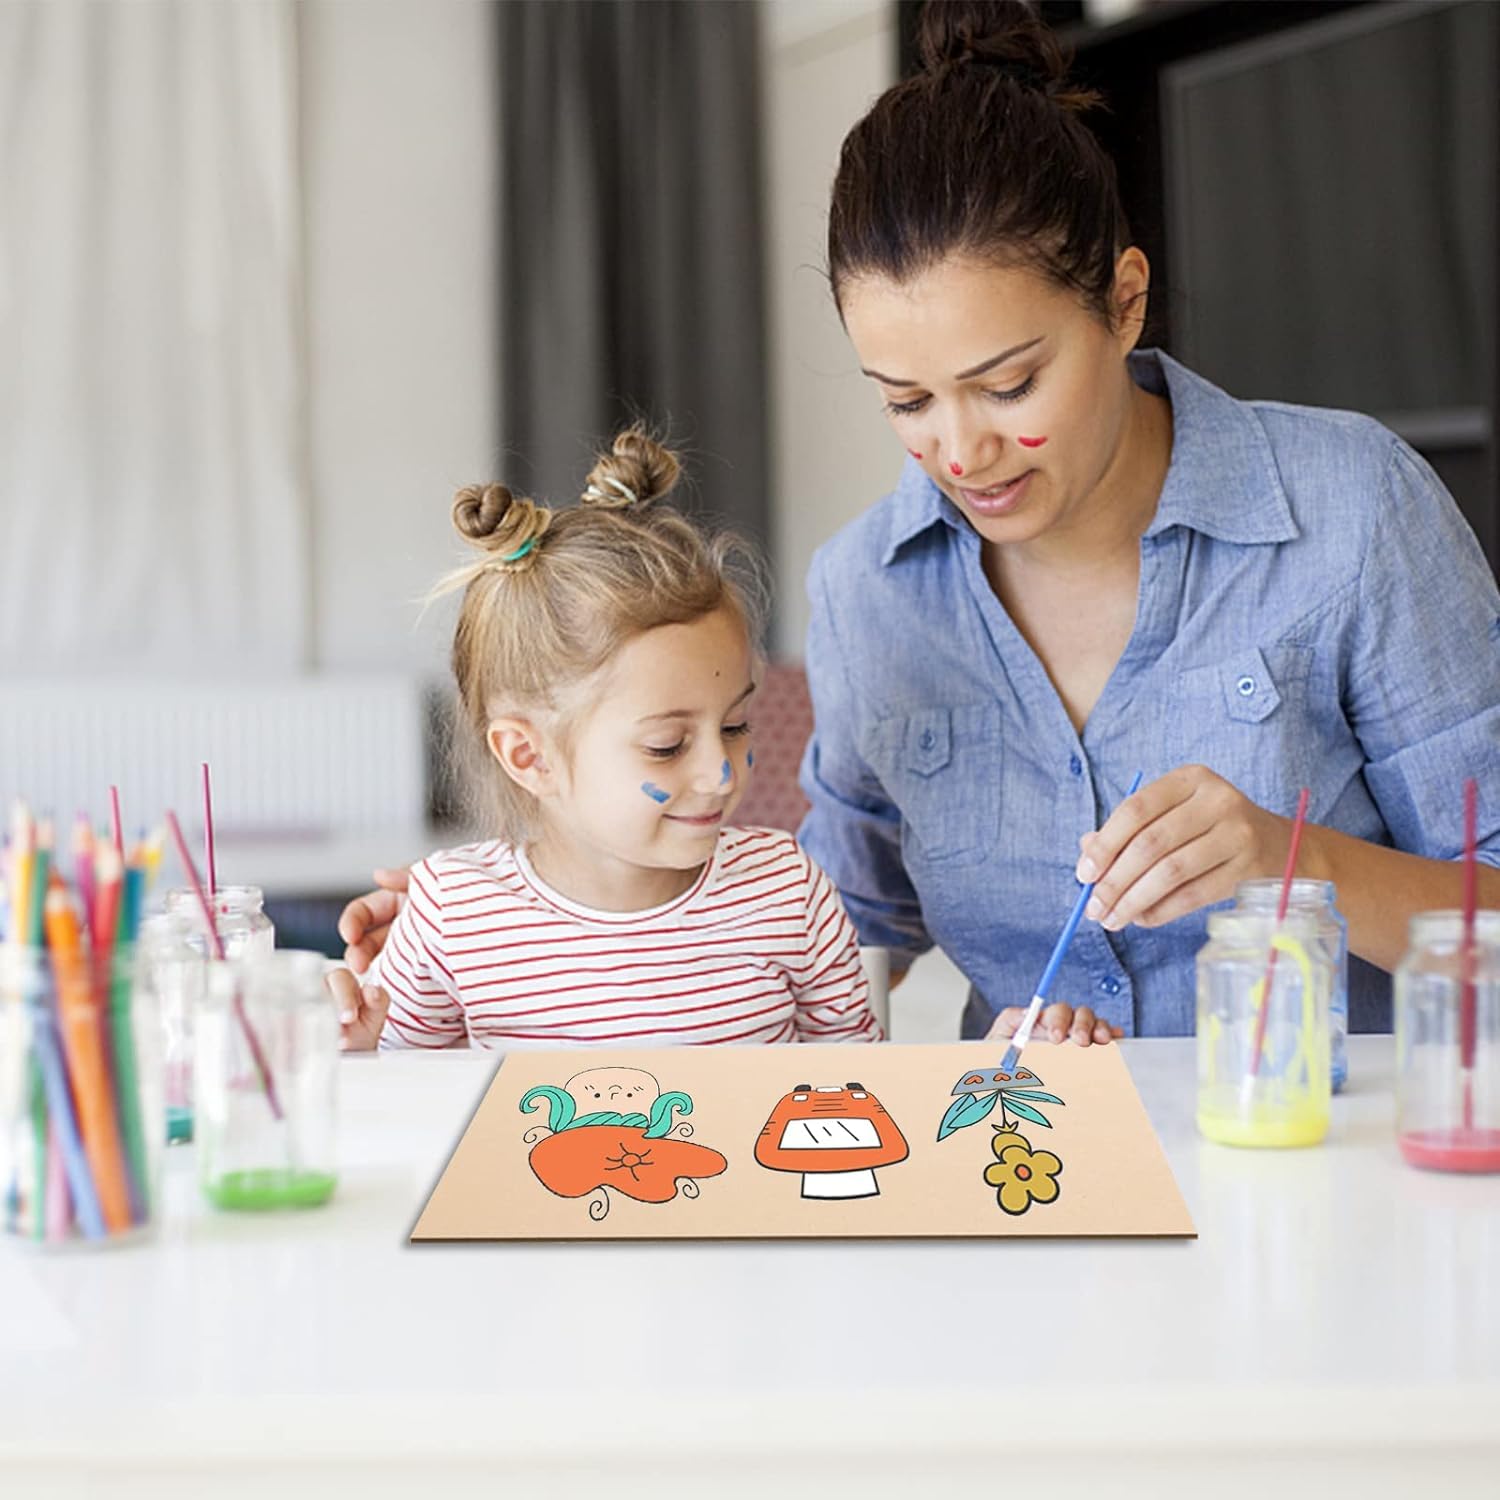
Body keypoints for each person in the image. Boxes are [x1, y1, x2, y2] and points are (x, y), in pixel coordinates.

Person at [341, 0, 1500, 1047]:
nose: (962, 451)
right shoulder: (870, 587)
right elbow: (832, 935)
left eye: (1008, 385)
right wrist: (512, 932)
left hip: (1327, 1172)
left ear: (1126, 300)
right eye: (905, 400)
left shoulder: (1353, 508)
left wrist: (1300, 864)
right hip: (1020, 1165)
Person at [328, 428, 880, 1050]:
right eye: (668, 745)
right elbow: (413, 1117)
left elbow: (857, 1088)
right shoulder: (452, 914)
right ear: (529, 756)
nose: (720, 774)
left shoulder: (787, 891)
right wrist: (357, 1052)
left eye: (733, 727)